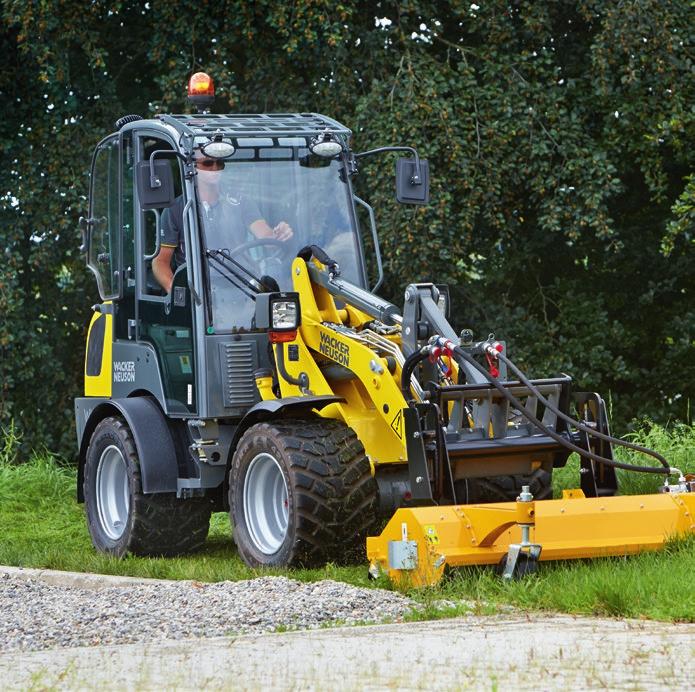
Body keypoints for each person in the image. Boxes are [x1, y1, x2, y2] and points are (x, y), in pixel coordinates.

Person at [152, 149, 293, 293]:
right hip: (199, 291)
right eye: (207, 163)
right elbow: (160, 262)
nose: (215, 168)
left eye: (219, 163)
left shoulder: (240, 202)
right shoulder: (175, 210)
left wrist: (279, 234)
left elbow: (266, 237)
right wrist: (179, 293)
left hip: (242, 285)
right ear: (191, 166)